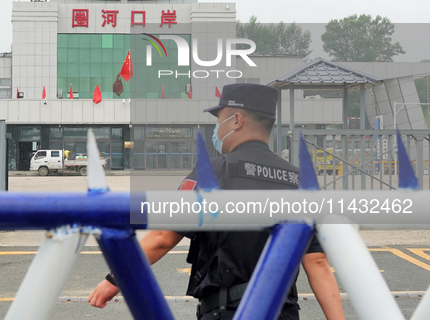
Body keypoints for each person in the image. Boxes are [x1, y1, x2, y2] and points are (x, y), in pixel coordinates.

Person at [88, 83, 345, 320]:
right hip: (283, 311)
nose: (216, 129)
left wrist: (114, 280)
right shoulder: (298, 180)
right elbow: (318, 263)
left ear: (236, 121)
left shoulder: (214, 172)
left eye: (219, 120)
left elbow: (163, 237)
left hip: (230, 311)